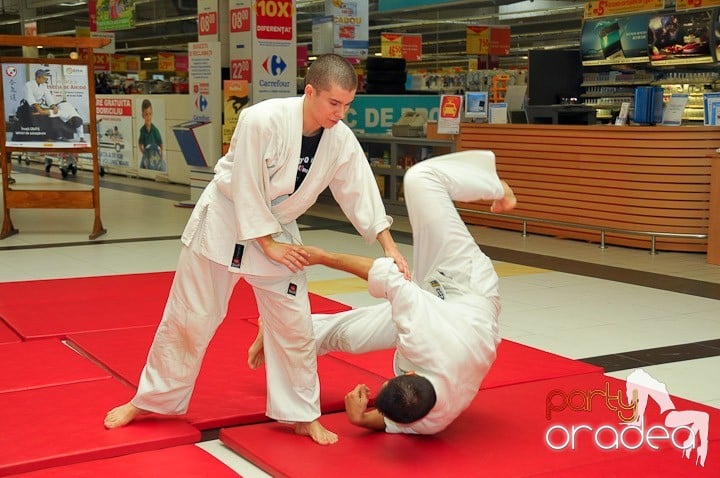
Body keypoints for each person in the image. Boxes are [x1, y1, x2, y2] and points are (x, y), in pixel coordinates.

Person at [104, 53, 409, 445]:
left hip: (278, 226)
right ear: (310, 91)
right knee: (191, 316)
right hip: (227, 220)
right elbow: (246, 183)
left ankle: (300, 414)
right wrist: (267, 243)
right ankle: (151, 401)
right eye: (334, 103)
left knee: (294, 325)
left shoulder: (340, 139)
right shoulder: (260, 120)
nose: (341, 113)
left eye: (348, 105)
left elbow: (360, 191)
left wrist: (388, 245)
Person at [248, 150, 517, 434]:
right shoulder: (421, 339)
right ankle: (498, 186)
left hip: (447, 321)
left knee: (348, 338)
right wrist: (323, 256)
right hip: (465, 279)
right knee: (420, 179)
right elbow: (385, 273)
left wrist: (361, 419)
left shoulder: (431, 416)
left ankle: (279, 329)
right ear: (411, 374)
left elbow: (400, 416)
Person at [24, 68, 84, 141]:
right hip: (30, 105)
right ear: (38, 77)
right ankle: (45, 137)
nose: (45, 80)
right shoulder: (28, 84)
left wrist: (53, 105)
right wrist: (38, 108)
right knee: (44, 117)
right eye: (44, 79)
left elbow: (48, 95)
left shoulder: (44, 85)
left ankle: (56, 136)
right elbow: (29, 96)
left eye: (45, 79)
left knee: (51, 117)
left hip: (40, 105)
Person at [138, 99, 165, 171]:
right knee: (141, 170)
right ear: (142, 115)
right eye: (146, 114)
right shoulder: (142, 130)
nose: (148, 117)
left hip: (156, 155)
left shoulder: (155, 130)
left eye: (150, 114)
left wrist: (161, 157)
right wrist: (144, 153)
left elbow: (161, 145)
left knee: (163, 168)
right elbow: (140, 144)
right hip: (147, 155)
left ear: (152, 113)